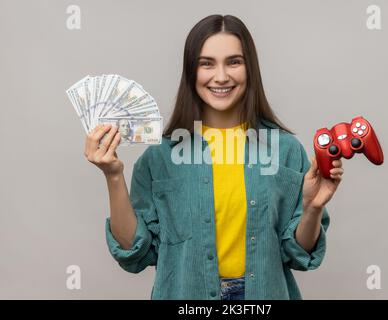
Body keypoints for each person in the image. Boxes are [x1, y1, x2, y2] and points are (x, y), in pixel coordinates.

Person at [84, 14, 344, 300]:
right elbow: (135, 252)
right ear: (191, 71)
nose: (221, 76)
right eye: (206, 63)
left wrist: (312, 208)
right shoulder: (160, 157)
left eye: (234, 61)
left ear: (250, 68)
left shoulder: (285, 150)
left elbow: (299, 254)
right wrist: (113, 175)